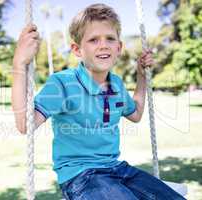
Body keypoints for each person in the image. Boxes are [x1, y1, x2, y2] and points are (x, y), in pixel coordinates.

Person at [12, 3, 186, 200]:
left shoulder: (117, 85)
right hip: (81, 176)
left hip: (118, 170)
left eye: (110, 39)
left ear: (119, 47)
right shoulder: (62, 84)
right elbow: (25, 124)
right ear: (77, 49)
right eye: (94, 40)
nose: (103, 45)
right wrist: (19, 63)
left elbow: (135, 114)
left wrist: (141, 76)